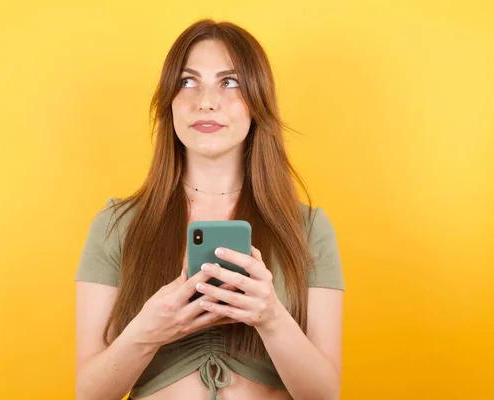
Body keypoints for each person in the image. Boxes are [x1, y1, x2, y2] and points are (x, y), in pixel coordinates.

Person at [74, 19, 345, 400]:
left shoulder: (308, 229)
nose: (206, 101)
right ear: (168, 101)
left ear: (258, 101)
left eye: (228, 82)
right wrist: (147, 331)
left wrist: (270, 318)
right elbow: (89, 394)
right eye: (187, 82)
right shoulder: (115, 227)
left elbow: (324, 395)